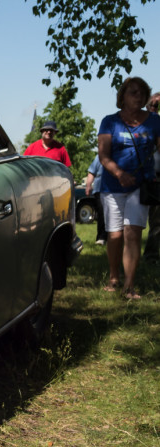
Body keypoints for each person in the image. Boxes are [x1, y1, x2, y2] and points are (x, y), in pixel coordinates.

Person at [97, 77, 160, 299]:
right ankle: (114, 277)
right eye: (133, 92)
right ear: (122, 96)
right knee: (115, 235)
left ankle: (129, 286)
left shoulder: (154, 121)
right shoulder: (109, 122)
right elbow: (103, 155)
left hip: (141, 185)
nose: (139, 96)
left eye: (142, 93)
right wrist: (119, 173)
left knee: (132, 233)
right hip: (112, 185)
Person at [144, 92, 160, 263]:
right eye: (154, 105)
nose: (156, 108)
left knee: (157, 222)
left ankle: (152, 255)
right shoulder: (144, 124)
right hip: (148, 177)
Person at [84, 156, 108, 245]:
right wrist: (88, 185)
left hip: (114, 189)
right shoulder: (99, 157)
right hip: (100, 189)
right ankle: (101, 237)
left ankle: (112, 237)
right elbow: (91, 172)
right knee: (102, 212)